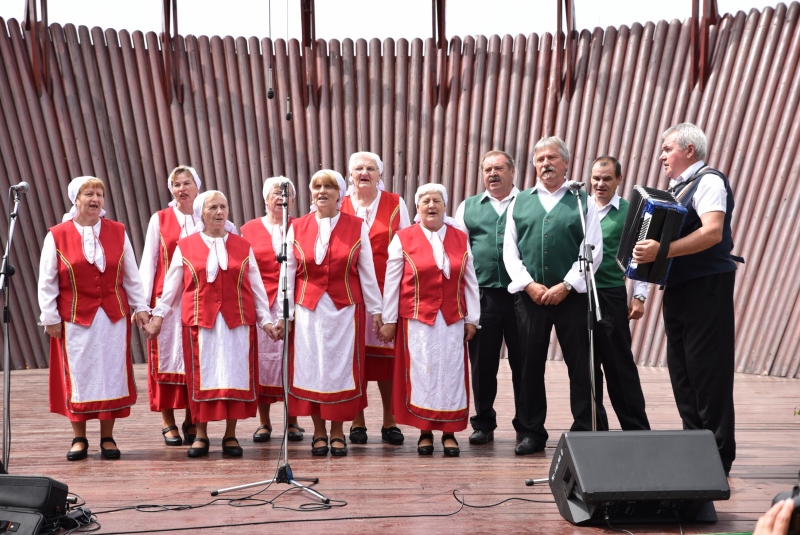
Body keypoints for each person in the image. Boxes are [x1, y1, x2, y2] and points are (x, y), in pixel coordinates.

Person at [633, 122, 739, 474]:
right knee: (683, 374)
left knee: (708, 374)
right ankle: (697, 451)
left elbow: (712, 232)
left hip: (707, 286)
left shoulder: (708, 180)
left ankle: (718, 458)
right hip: (678, 288)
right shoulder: (675, 190)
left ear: (689, 150)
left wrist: (661, 251)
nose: (662, 155)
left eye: (667, 149)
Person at [145, 190, 280, 458]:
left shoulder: (242, 246)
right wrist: (157, 317)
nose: (219, 212)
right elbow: (171, 288)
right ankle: (202, 435)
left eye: (223, 207)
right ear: (200, 214)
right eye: (213, 208)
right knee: (202, 376)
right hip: (201, 322)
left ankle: (231, 435)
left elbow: (256, 288)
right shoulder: (185, 245)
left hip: (237, 323)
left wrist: (267, 322)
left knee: (233, 376)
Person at [503, 136, 609, 455]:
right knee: (529, 365)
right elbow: (510, 250)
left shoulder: (582, 200)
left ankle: (586, 428)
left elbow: (592, 248)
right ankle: (532, 431)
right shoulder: (519, 201)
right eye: (539, 159)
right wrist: (529, 284)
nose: (545, 164)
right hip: (530, 297)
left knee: (582, 364)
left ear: (565, 162)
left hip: (572, 297)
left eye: (551, 158)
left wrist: (566, 285)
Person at [38, 176, 150, 461]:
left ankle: (108, 437)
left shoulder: (118, 231)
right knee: (80, 376)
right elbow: (47, 280)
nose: (95, 199)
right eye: (89, 193)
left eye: (99, 193)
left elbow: (132, 275)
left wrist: (141, 308)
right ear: (76, 199)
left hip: (112, 317)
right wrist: (50, 316)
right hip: (75, 319)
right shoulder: (57, 234)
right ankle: (79, 438)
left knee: (109, 375)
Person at [284, 170, 383, 457]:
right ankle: (318, 431)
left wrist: (376, 310)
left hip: (345, 311)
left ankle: (338, 431)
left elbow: (367, 271)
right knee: (313, 370)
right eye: (317, 186)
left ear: (341, 194)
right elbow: (288, 273)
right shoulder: (297, 226)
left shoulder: (356, 225)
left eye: (329, 186)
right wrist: (285, 313)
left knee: (340, 371)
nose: (322, 191)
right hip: (307, 312)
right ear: (311, 193)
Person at [379, 183, 479, 457]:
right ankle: (424, 431)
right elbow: (392, 282)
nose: (431, 205)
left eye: (436, 200)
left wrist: (472, 318)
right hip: (417, 320)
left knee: (450, 374)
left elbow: (469, 281)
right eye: (425, 201)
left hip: (452, 319)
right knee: (422, 374)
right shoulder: (403, 237)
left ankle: (449, 432)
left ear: (445, 206)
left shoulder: (460, 237)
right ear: (418, 208)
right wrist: (389, 319)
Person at [340, 151, 411, 446]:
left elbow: (409, 246)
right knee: (354, 360)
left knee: (385, 362)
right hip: (349, 297)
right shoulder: (340, 204)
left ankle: (389, 419)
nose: (364, 172)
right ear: (350, 175)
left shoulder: (395, 204)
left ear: (380, 174)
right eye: (358, 168)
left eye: (370, 168)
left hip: (386, 292)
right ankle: (357, 420)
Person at [453, 150, 523, 445]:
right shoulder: (467, 207)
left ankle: (528, 425)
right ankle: (483, 422)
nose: (492, 174)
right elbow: (458, 254)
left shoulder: (528, 202)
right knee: (482, 364)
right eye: (487, 169)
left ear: (512, 171)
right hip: (482, 297)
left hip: (522, 295)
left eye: (498, 168)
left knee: (525, 363)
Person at [139, 166, 202, 447]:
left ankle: (192, 419)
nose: (181, 189)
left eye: (187, 183)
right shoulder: (160, 219)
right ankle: (168, 421)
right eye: (176, 184)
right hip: (166, 300)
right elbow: (149, 262)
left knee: (195, 359)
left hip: (197, 299)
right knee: (165, 360)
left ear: (197, 187)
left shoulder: (208, 215)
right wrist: (142, 304)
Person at [240, 176, 304, 443]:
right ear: (266, 199)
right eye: (275, 194)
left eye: (285, 194)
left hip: (294, 305)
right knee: (262, 363)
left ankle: (293, 421)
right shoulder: (248, 229)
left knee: (293, 361)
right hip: (262, 304)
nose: (280, 198)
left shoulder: (302, 227)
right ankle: (264, 422)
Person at [589, 156, 651, 431]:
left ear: (619, 180)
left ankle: (636, 428)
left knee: (619, 365)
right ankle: (595, 429)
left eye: (607, 179)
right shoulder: (580, 208)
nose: (600, 184)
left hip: (611, 294)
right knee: (587, 368)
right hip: (579, 295)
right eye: (596, 178)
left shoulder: (630, 212)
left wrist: (639, 295)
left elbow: (641, 257)